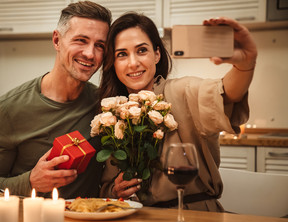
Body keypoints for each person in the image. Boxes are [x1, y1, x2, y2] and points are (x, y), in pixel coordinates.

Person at [99, 12, 257, 211]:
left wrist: (245, 64)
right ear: (112, 63)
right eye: (122, 54)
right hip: (138, 220)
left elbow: (227, 94)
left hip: (195, 218)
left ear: (157, 54)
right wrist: (116, 191)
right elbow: (106, 187)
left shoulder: (182, 91)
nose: (133, 63)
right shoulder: (112, 114)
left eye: (141, 50)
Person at [0, 1, 111, 198]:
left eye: (100, 45)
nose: (90, 54)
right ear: (57, 40)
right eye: (81, 40)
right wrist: (31, 181)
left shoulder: (105, 106)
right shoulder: (9, 108)